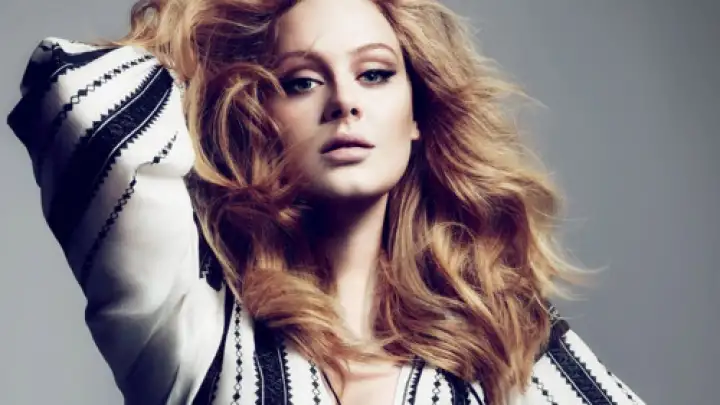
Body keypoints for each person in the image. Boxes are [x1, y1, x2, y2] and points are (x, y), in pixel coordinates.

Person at [6, 0, 646, 404]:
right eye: (302, 81)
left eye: (374, 73)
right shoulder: (195, 332)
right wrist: (220, 25)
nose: (344, 102)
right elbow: (80, 100)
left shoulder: (498, 346)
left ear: (416, 114)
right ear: (262, 116)